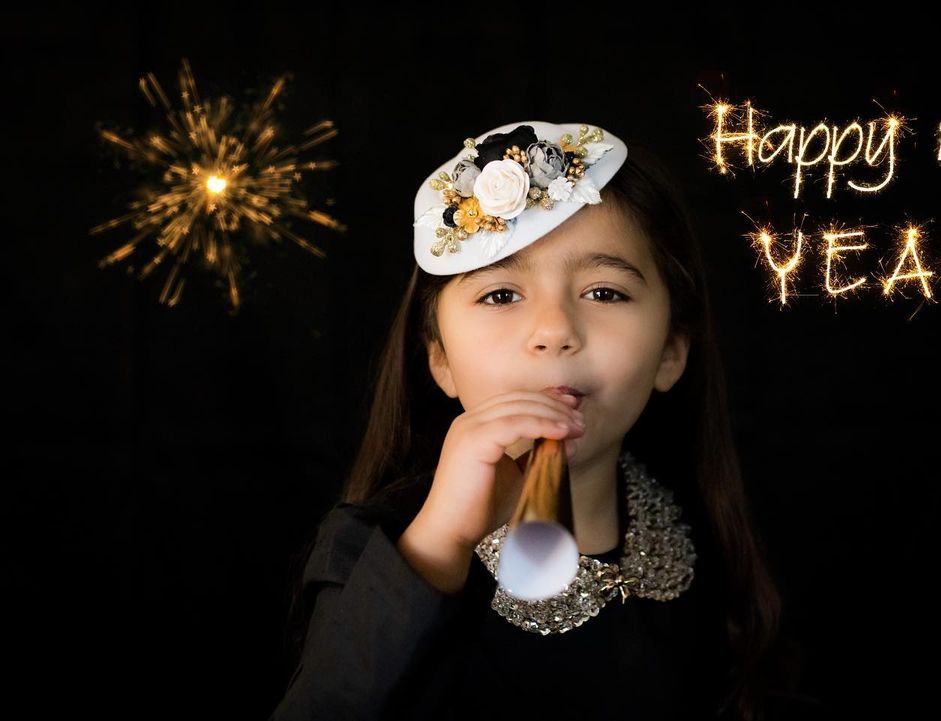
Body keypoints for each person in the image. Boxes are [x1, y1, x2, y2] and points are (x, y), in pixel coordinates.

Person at [269, 121, 820, 720]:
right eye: (501, 295)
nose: (555, 331)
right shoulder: (373, 545)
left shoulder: (705, 523)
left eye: (604, 293)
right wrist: (440, 544)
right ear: (440, 361)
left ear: (671, 352)